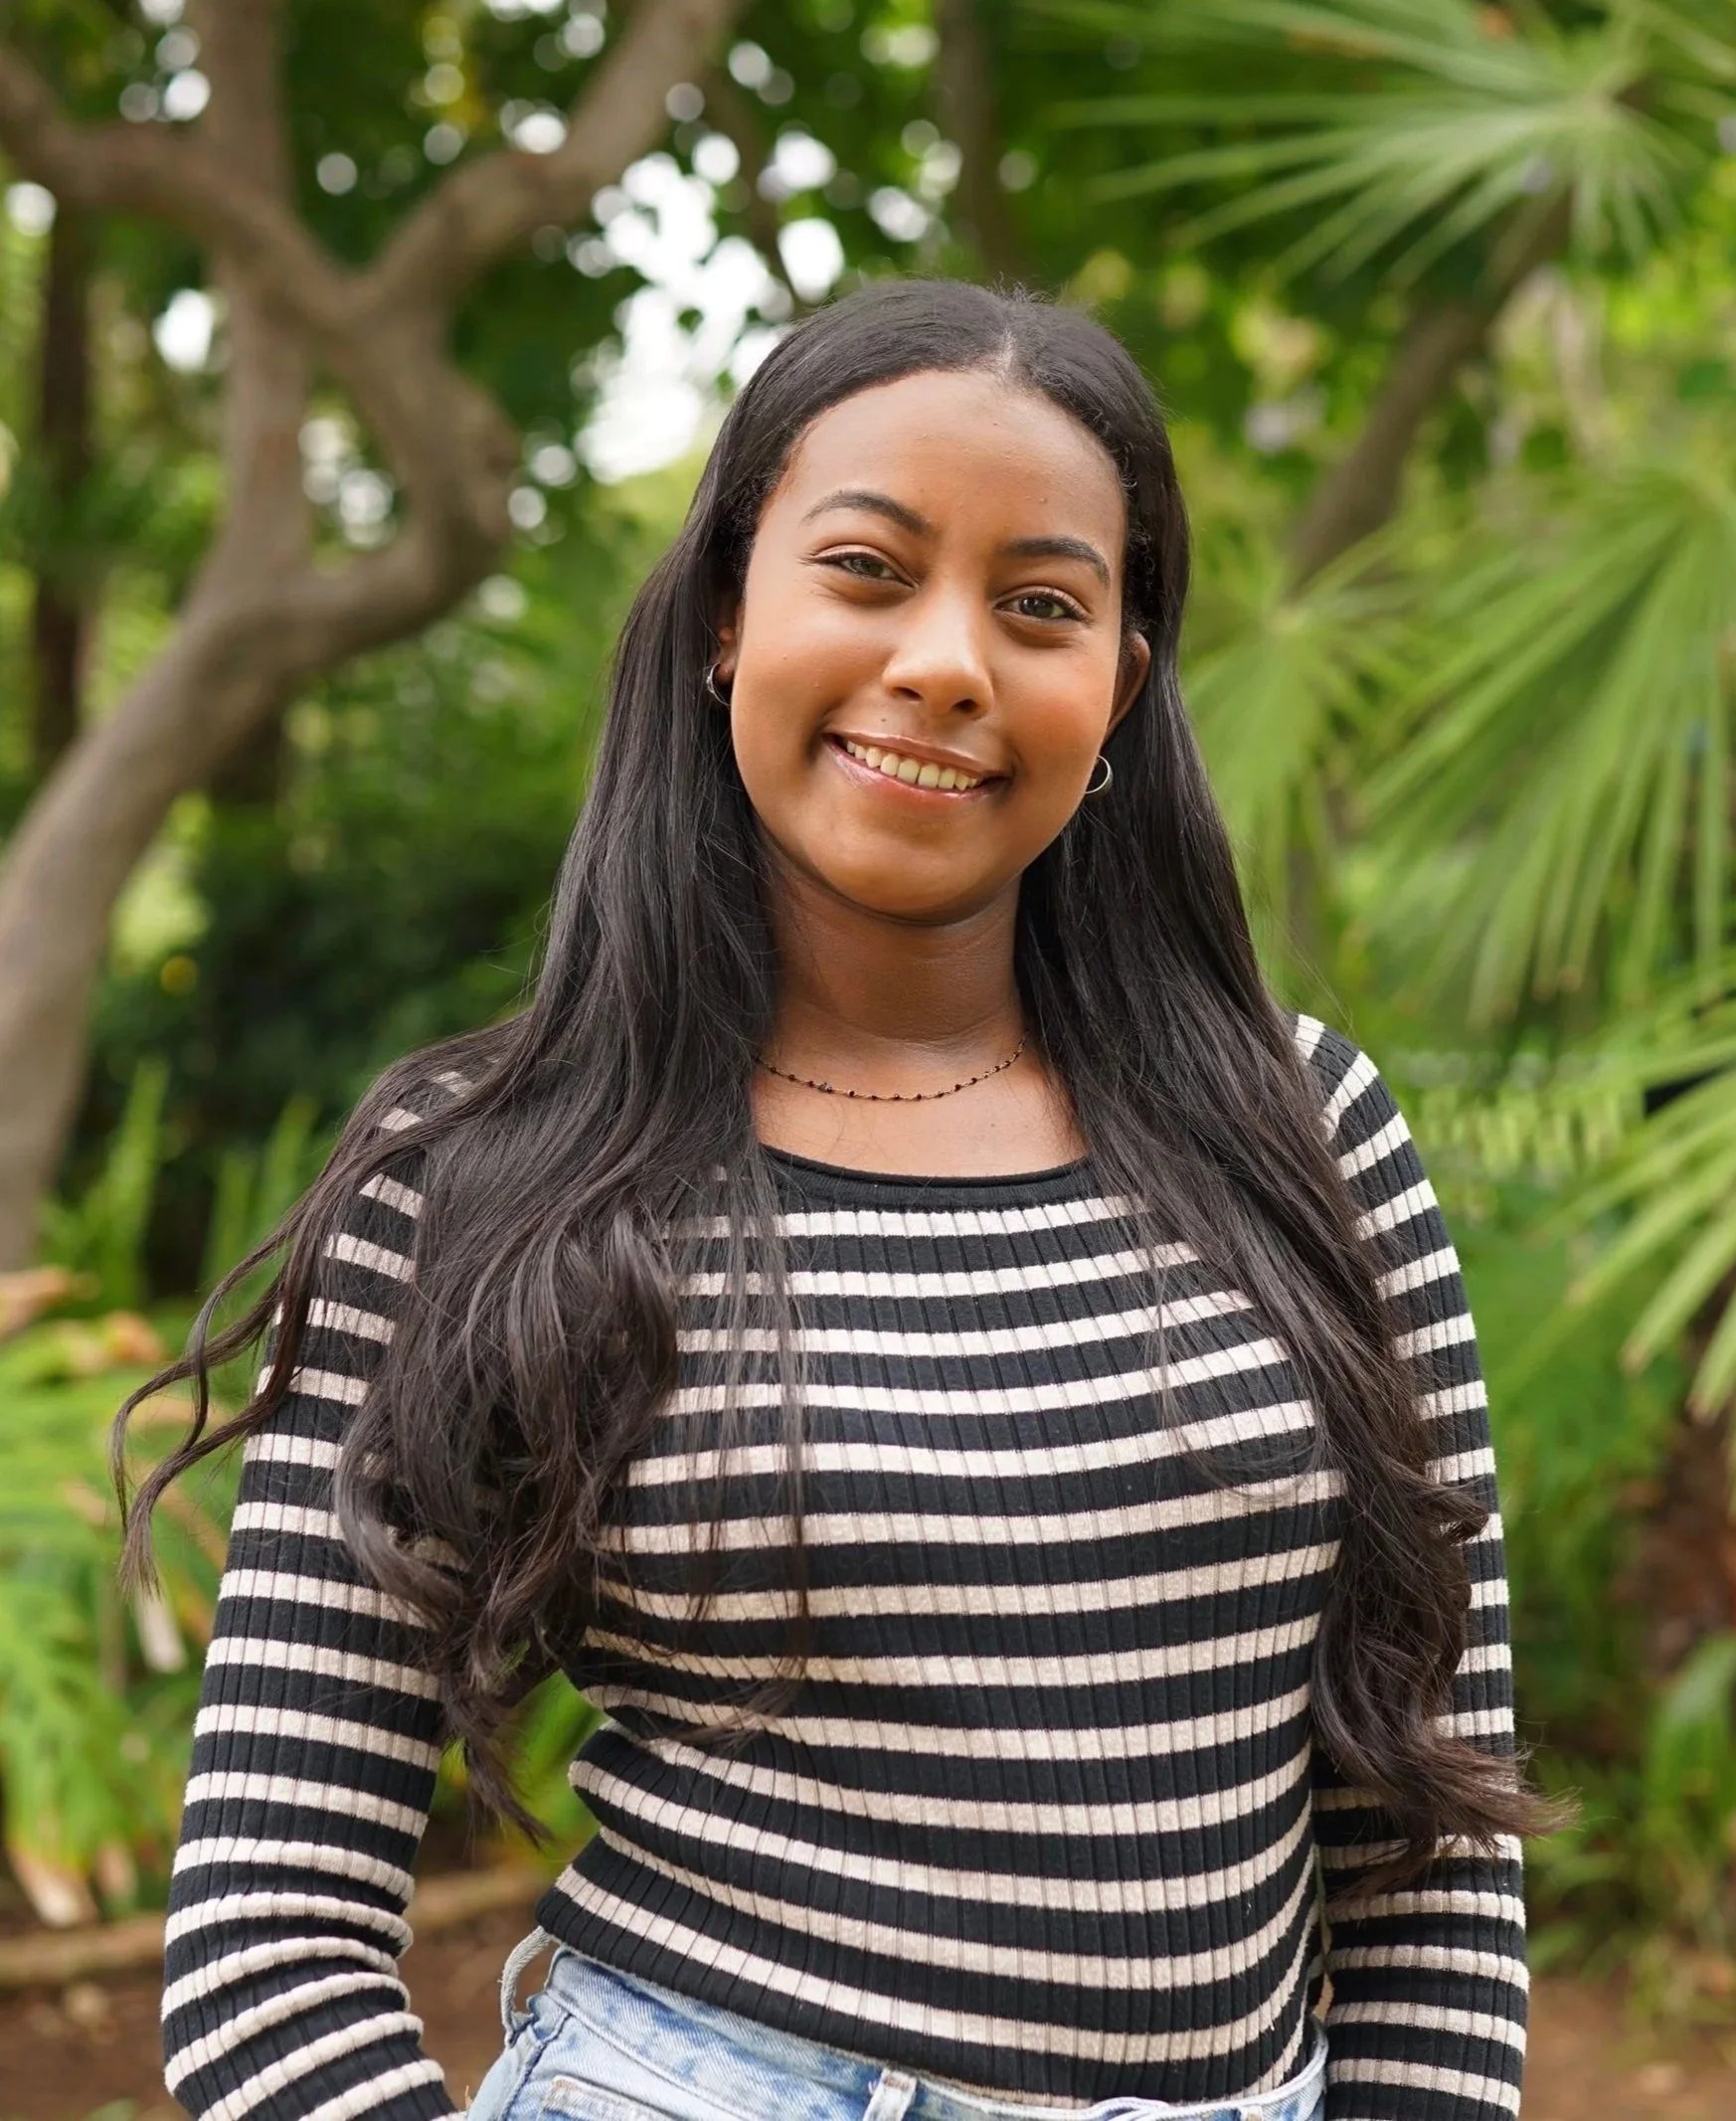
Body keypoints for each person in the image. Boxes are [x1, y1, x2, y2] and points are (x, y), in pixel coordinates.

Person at [124, 278, 1537, 2121]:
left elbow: (1431, 1828)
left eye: (1040, 605)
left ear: (1117, 684)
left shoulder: (1301, 1128)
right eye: (866, 568)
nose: (948, 659)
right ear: (727, 615)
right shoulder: (479, 1174)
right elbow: (265, 1943)